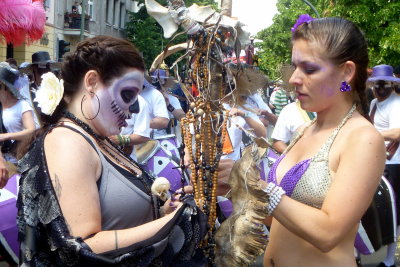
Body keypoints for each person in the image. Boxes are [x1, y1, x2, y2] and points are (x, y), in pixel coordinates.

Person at [17, 36, 206, 266]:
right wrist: (176, 220)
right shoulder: (68, 141)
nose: (132, 110)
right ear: (93, 82)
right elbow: (83, 246)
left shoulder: (98, 138)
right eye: (127, 95)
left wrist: (167, 208)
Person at [263, 15, 386, 267]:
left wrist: (258, 188)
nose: (293, 79)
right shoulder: (305, 129)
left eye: (309, 69)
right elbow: (281, 220)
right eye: (294, 67)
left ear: (347, 72)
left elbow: (328, 232)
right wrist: (236, 191)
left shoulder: (363, 139)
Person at [367, 64, 400, 267]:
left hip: (394, 164)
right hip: (376, 161)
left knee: (393, 212)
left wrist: (369, 135)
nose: (380, 88)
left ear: (391, 84)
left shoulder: (396, 103)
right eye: (376, 84)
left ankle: (389, 260)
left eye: (384, 84)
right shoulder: (372, 104)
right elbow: (344, 88)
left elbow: (397, 133)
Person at [0, 63, 36, 164]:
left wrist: (7, 136)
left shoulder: (22, 105)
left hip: (17, 160)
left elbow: (31, 131)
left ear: (4, 86)